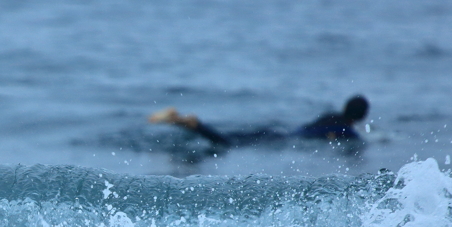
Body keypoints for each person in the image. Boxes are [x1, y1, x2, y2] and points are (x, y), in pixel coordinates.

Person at [149, 95, 370, 146]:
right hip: (282, 139)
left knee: (232, 138)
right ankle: (195, 124)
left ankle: (182, 121)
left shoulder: (331, 116)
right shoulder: (348, 132)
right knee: (227, 143)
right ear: (362, 116)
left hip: (277, 132)